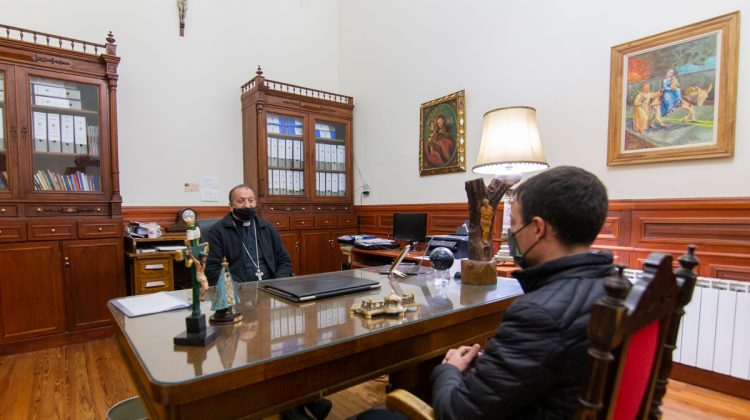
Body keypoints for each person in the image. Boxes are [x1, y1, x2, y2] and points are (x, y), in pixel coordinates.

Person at [430, 166, 613, 419]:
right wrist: (495, 362)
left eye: (514, 224)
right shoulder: (616, 285)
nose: (511, 235)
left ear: (538, 228)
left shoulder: (538, 314)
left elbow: (458, 413)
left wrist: (448, 369)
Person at [205, 184, 293, 284]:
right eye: (241, 201)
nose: (247, 205)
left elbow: (284, 261)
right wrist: (234, 287)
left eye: (251, 200)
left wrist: (278, 282)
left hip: (272, 287)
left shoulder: (267, 228)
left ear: (255, 202)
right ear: (231, 206)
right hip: (239, 291)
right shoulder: (218, 231)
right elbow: (212, 269)